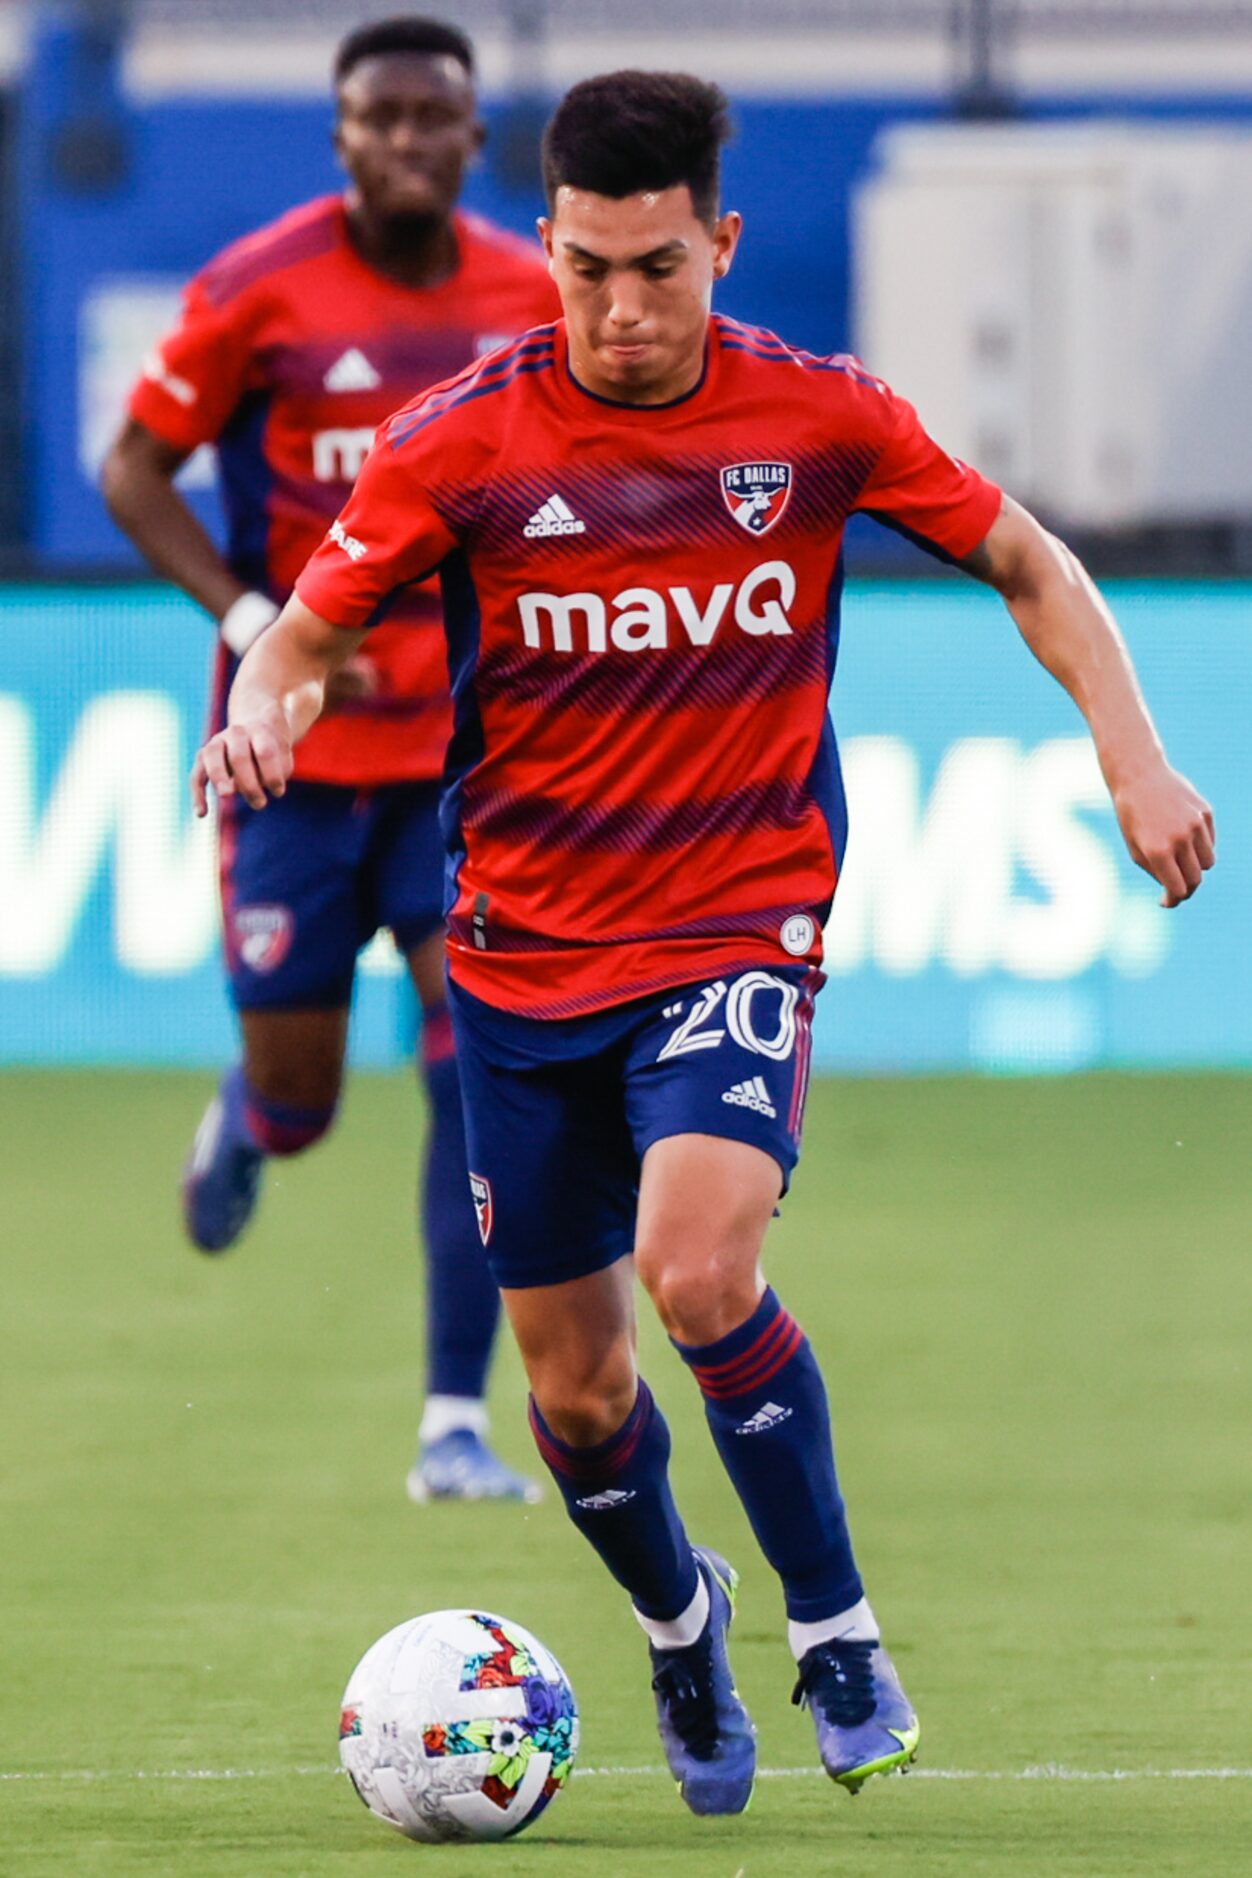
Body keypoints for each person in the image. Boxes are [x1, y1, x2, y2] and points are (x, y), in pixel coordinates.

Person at [188, 70, 1215, 1811]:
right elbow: (308, 624)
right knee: (579, 1394)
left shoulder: (815, 418)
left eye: (657, 267)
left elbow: (1029, 563)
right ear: (550, 249)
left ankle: (836, 1625)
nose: (620, 309)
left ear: (721, 243)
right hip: (522, 962)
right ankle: (681, 1619)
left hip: (734, 921)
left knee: (702, 1271)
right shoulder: (469, 440)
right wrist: (265, 710)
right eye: (586, 268)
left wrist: (1136, 755)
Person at [101, 16, 560, 1504]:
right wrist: (259, 623)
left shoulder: (526, 296)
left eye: (442, 118)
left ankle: (452, 1421)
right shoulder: (259, 289)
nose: (414, 140)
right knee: (306, 1101)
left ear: (477, 139)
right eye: (386, 117)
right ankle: (253, 1114)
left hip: (463, 761)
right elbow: (130, 468)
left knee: (473, 1070)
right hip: (287, 756)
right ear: (342, 135)